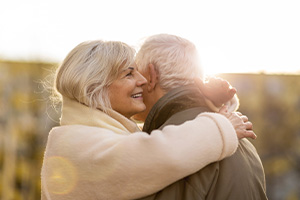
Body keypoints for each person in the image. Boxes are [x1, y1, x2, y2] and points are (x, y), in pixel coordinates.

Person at [41, 40, 254, 200]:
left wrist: (212, 103)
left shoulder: (93, 135)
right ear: (94, 87)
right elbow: (162, 153)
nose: (143, 81)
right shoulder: (75, 144)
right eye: (129, 74)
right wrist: (222, 127)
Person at [134, 33, 268, 199]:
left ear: (151, 76)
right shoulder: (238, 138)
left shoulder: (169, 144)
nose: (135, 83)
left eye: (135, 73)